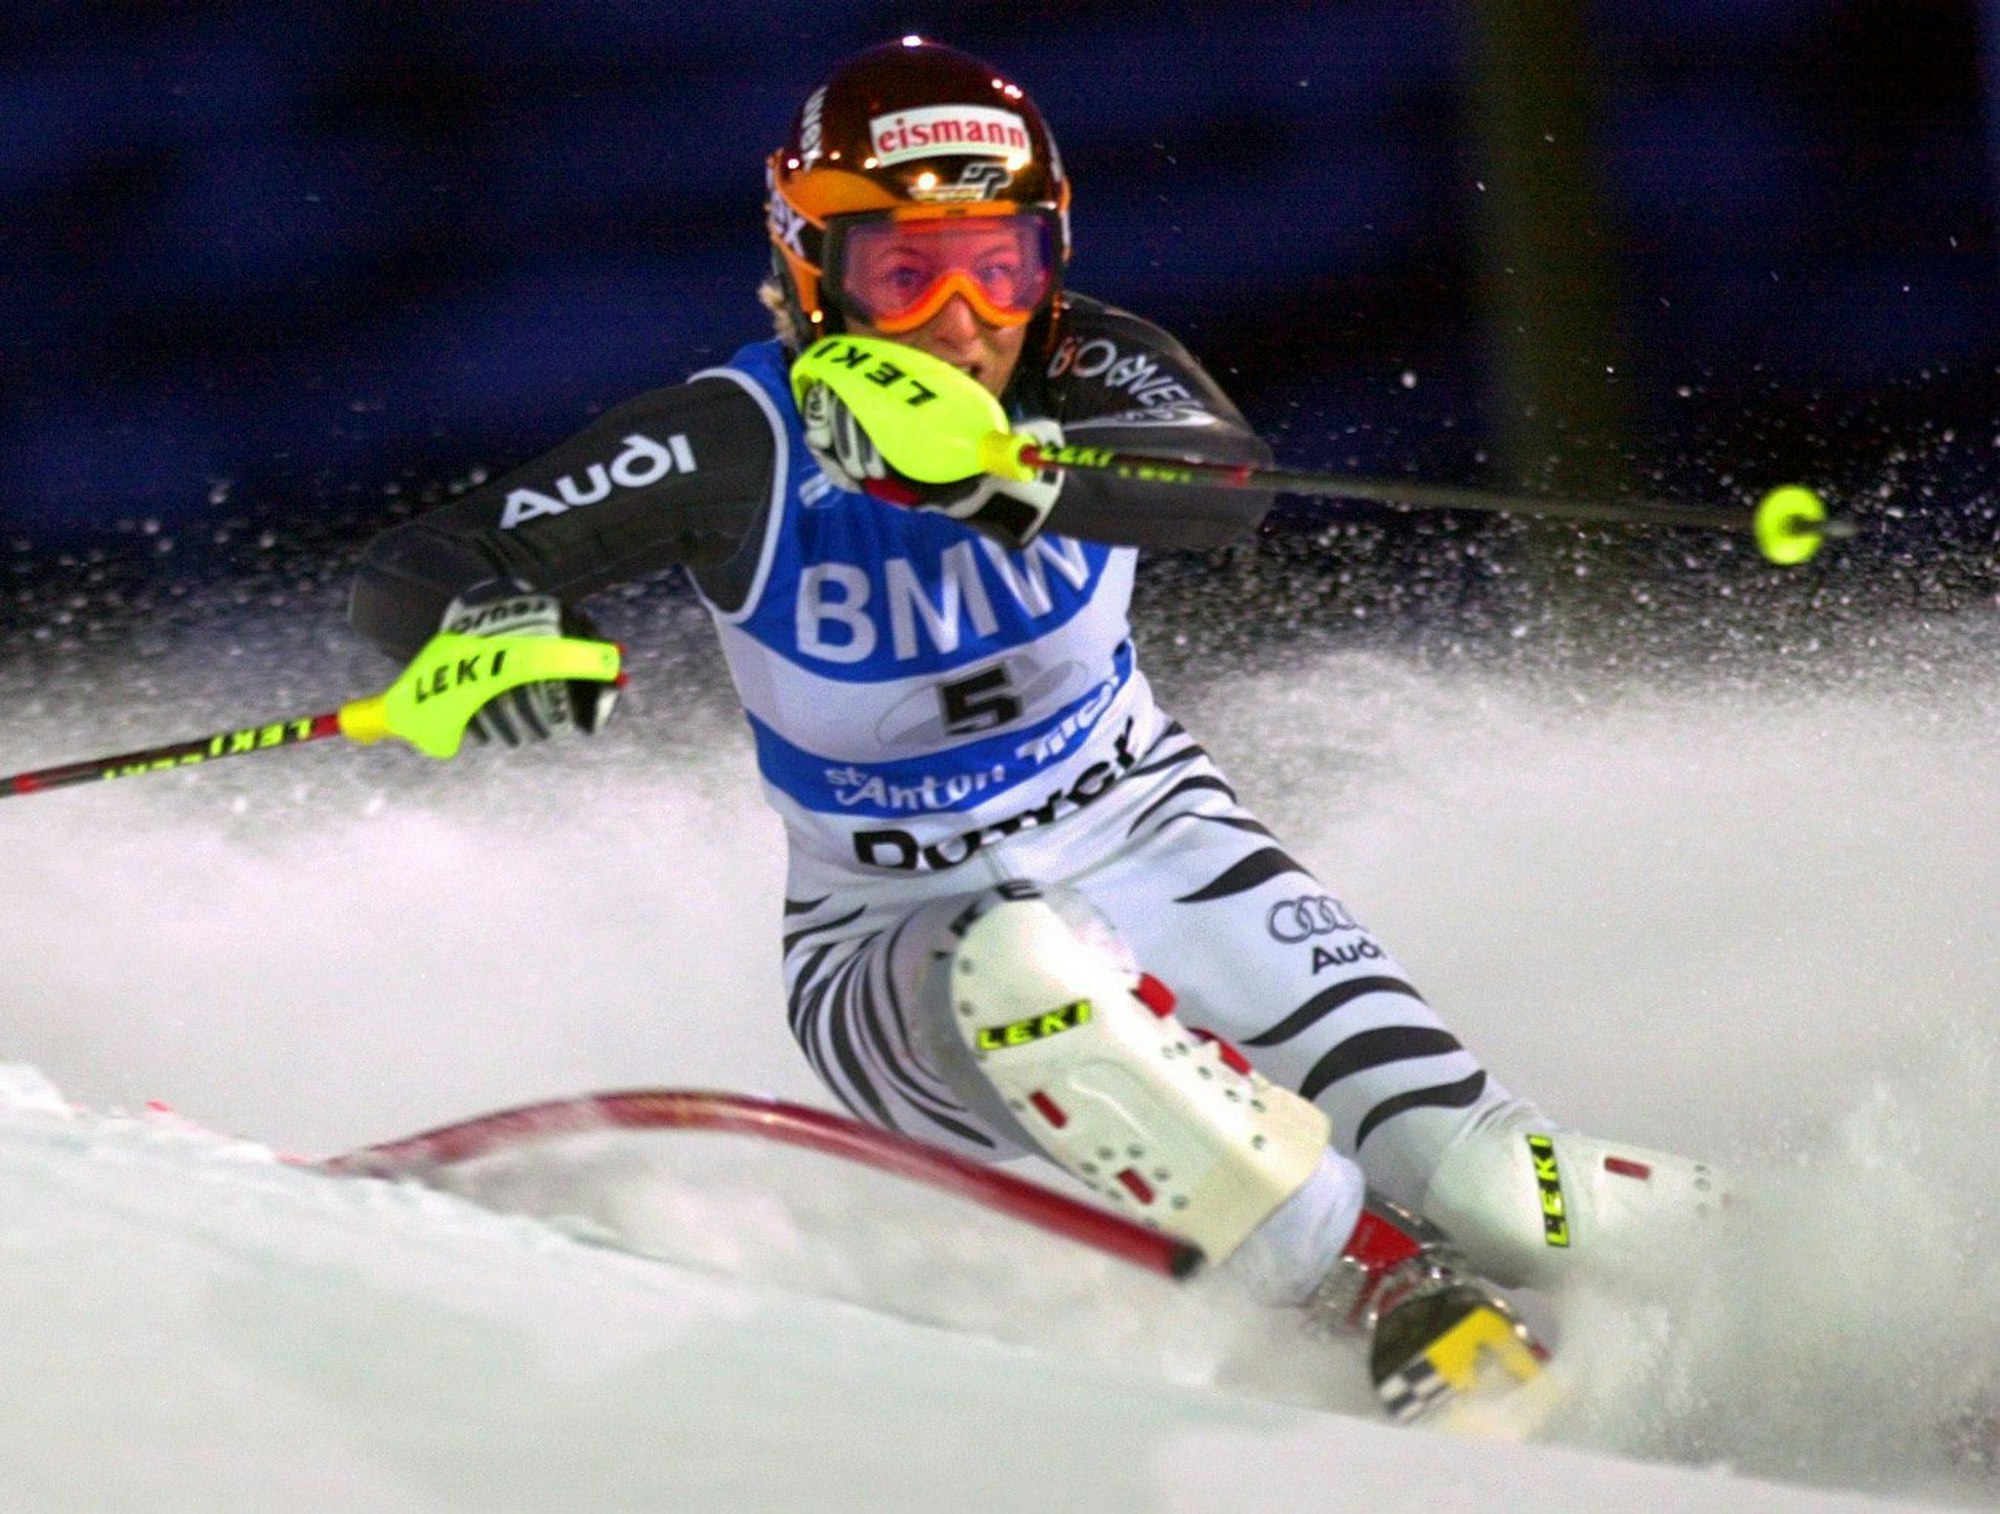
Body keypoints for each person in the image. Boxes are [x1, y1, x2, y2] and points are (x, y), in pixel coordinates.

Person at [348, 37, 1721, 1419]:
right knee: (1024, 969)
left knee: (1505, 1186)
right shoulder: (738, 442)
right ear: (812, 271)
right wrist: (487, 635)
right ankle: (1388, 1293)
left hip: (1158, 837)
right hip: (889, 937)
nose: (962, 321)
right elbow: (422, 567)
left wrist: (1006, 474)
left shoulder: (1086, 369)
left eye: (999, 265)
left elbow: (1224, 486)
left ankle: (1780, 1272)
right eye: (907, 273)